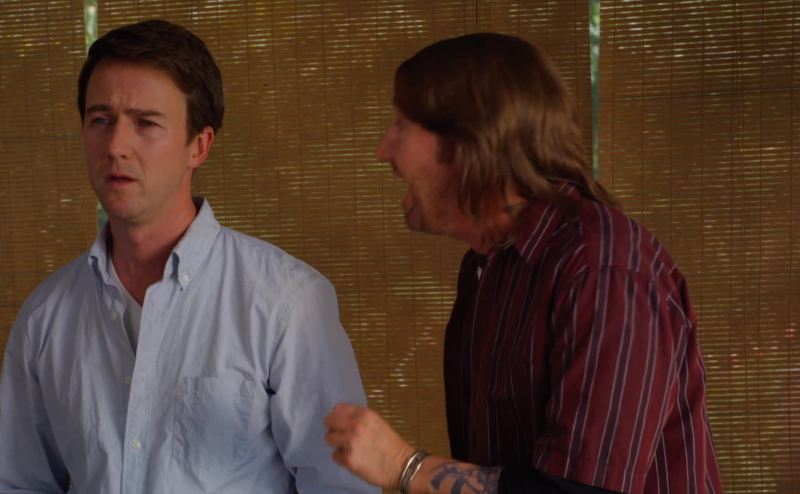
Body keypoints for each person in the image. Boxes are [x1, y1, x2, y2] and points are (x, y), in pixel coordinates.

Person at [324, 32, 723, 494]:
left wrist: (404, 466)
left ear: (470, 141)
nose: (383, 150)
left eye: (401, 126)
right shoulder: (486, 269)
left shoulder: (603, 266)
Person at [0, 19, 376, 494]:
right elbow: (18, 483)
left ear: (199, 146)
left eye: (146, 123)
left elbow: (342, 486)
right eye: (100, 120)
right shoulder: (45, 315)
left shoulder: (286, 302)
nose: (116, 146)